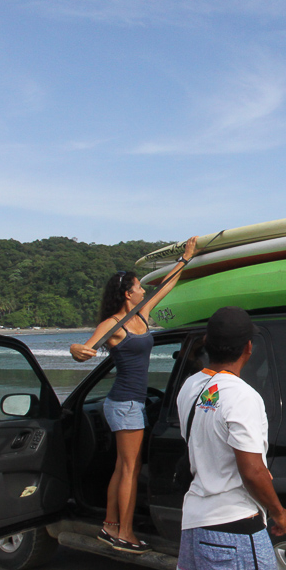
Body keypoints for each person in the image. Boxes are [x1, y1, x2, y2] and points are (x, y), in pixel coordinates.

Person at [154, 306, 286, 570]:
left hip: (197, 523)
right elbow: (252, 471)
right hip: (234, 529)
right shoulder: (242, 396)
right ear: (248, 347)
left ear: (206, 343)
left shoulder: (191, 387)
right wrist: (278, 512)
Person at [69, 237, 198, 553]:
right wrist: (77, 351)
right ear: (128, 294)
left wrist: (186, 258)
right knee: (129, 467)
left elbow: (165, 286)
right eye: (139, 286)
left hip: (132, 403)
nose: (144, 289)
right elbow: (84, 347)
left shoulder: (142, 313)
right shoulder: (113, 324)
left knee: (122, 466)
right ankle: (124, 533)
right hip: (124, 403)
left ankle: (110, 524)